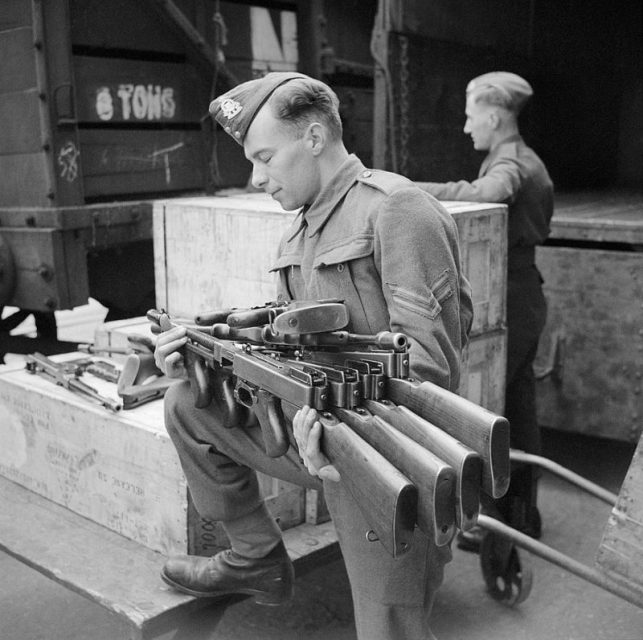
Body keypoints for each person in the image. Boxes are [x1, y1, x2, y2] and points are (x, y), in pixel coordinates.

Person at [154, 71, 473, 640]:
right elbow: (288, 346)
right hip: (311, 432)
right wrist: (206, 359)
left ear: (316, 137)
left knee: (387, 627)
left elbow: (430, 370)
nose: (256, 178)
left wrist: (332, 419)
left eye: (265, 157)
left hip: (386, 454)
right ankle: (256, 559)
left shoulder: (397, 211)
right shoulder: (296, 236)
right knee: (187, 403)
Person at [416, 71, 554, 545]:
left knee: (484, 409)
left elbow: (488, 194)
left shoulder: (510, 162)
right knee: (516, 407)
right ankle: (521, 516)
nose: (465, 125)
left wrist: (414, 191)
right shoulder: (516, 155)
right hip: (523, 293)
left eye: (471, 114)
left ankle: (490, 521)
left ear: (494, 116)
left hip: (511, 295)